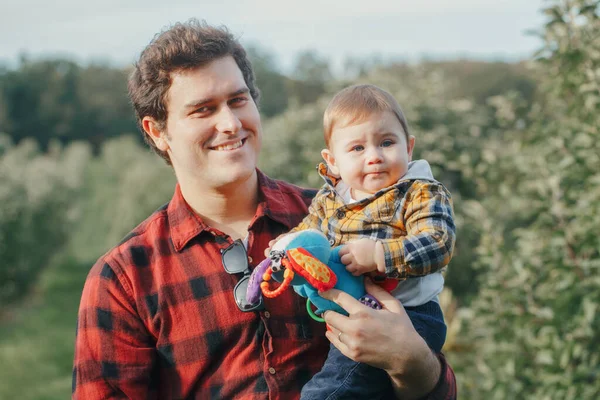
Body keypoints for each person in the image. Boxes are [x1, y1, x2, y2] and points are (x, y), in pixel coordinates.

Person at [72, 19, 457, 399]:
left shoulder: (340, 221)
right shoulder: (125, 279)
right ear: (158, 131)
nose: (230, 123)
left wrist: (411, 362)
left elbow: (431, 380)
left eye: (238, 100)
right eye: (203, 110)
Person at [268, 84, 455, 399]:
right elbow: (309, 231)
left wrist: (380, 254)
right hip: (357, 315)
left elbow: (439, 242)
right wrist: (286, 246)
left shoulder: (419, 191)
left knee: (336, 383)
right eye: (357, 148)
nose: (374, 157)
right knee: (356, 379)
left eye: (386, 142)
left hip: (413, 316)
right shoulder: (330, 199)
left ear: (408, 148)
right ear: (333, 162)